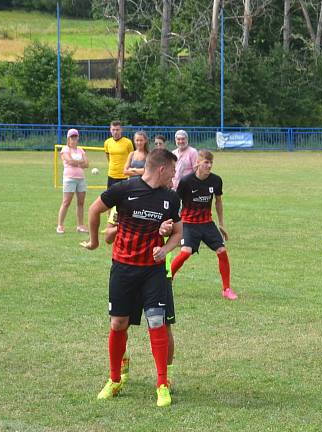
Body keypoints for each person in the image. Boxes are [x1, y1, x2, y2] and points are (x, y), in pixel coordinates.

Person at [81, 148, 182, 407]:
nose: (174, 174)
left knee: (157, 321)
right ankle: (115, 380)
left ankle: (162, 384)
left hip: (152, 270)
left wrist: (166, 249)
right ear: (161, 168)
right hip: (124, 269)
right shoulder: (124, 189)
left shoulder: (170, 199)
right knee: (117, 324)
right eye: (172, 169)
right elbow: (94, 211)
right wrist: (94, 242)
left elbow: (178, 231)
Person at [103, 208, 179, 390]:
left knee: (162, 324)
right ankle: (122, 364)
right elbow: (108, 236)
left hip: (159, 272)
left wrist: (164, 231)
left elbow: (176, 232)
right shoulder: (123, 201)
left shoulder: (165, 201)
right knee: (121, 323)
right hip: (128, 270)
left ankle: (166, 378)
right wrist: (128, 226)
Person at [171, 149, 237, 300]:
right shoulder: (186, 181)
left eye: (211, 162)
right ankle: (168, 280)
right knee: (186, 252)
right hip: (188, 223)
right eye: (206, 162)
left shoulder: (216, 180)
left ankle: (226, 289)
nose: (209, 165)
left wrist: (221, 224)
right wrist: (174, 223)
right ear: (198, 163)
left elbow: (218, 201)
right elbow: (175, 202)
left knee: (222, 251)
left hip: (207, 223)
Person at [56, 128, 89, 234]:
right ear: (68, 138)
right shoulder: (65, 149)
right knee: (66, 202)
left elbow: (87, 164)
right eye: (72, 137)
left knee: (81, 203)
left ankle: (80, 225)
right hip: (69, 179)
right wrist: (80, 162)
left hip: (81, 179)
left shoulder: (80, 150)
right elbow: (69, 161)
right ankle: (60, 225)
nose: (74, 139)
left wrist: (77, 162)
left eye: (75, 137)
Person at [103, 120, 134, 189]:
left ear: (121, 130)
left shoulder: (128, 142)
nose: (115, 132)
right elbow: (108, 157)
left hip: (124, 176)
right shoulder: (107, 142)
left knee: (122, 199)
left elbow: (132, 158)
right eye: (113, 130)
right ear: (110, 130)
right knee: (110, 198)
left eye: (117, 130)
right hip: (111, 175)